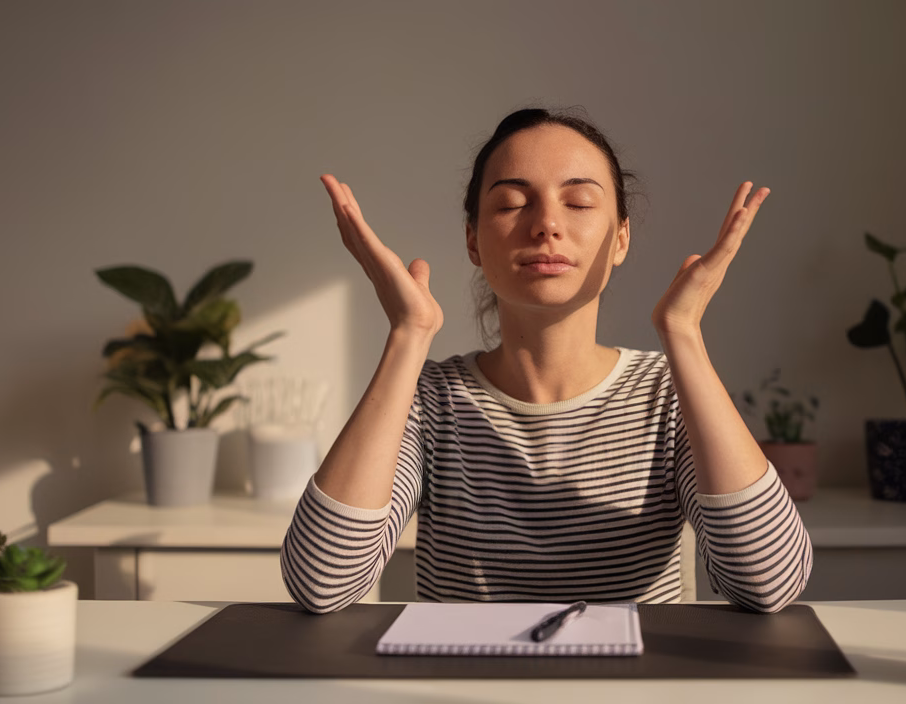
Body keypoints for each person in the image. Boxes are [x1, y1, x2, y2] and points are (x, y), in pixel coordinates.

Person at [281, 108, 812, 613]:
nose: (546, 226)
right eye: (512, 203)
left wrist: (684, 334)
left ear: (620, 237)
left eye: (579, 202)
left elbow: (770, 583)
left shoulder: (668, 394)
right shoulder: (428, 400)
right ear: (472, 239)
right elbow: (321, 584)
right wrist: (407, 334)